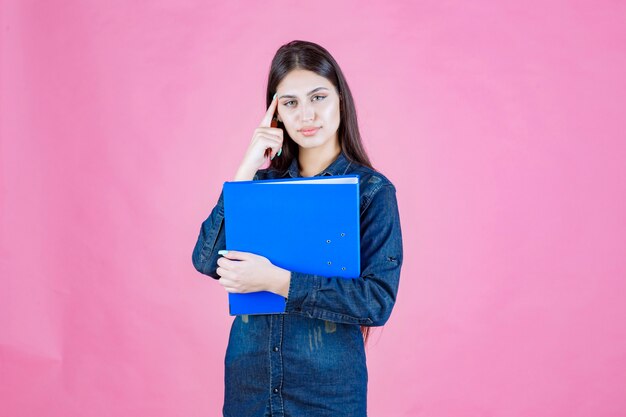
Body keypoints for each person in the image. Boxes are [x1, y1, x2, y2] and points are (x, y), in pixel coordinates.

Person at [192, 40, 403, 417]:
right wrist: (245, 169)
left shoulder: (371, 193)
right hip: (250, 388)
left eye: (318, 97)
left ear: (340, 99)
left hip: (327, 394)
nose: (306, 114)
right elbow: (207, 260)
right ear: (276, 114)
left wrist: (277, 280)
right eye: (290, 103)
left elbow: (376, 300)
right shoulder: (259, 186)